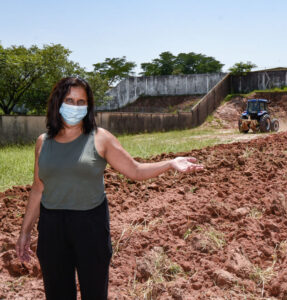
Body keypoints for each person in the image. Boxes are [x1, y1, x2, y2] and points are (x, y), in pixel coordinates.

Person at [15, 76, 203, 300]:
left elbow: (135, 170)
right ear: (57, 103)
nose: (75, 107)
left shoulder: (100, 138)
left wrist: (170, 163)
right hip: (52, 229)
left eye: (81, 102)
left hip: (90, 227)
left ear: (88, 106)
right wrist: (25, 231)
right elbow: (38, 188)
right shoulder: (43, 142)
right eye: (69, 100)